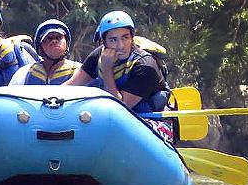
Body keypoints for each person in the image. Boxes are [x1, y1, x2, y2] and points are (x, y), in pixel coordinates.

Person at [63, 10, 173, 141]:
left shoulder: (145, 65)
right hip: (119, 121)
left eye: (125, 37)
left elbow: (120, 108)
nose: (120, 45)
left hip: (154, 121)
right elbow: (70, 86)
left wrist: (107, 69)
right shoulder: (98, 55)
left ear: (132, 37)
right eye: (113, 40)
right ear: (104, 42)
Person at [9, 19, 80, 85]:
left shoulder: (80, 71)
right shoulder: (24, 73)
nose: (54, 41)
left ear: (67, 44)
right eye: (49, 38)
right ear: (40, 47)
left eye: (59, 37)